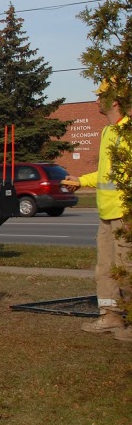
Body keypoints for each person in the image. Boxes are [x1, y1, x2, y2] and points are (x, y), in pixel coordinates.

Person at [61, 80, 131, 342]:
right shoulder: (107, 132)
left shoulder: (128, 131)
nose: (96, 101)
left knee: (127, 270)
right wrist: (81, 181)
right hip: (106, 213)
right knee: (105, 269)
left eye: (101, 96)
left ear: (114, 101)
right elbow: (106, 174)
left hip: (125, 214)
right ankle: (111, 316)